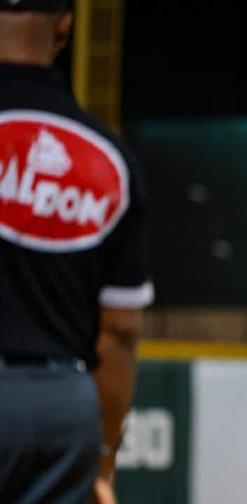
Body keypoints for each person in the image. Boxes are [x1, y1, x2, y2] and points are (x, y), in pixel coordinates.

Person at [0, 1, 153, 502]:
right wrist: (104, 460)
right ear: (65, 24)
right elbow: (119, 332)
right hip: (57, 406)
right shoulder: (106, 154)